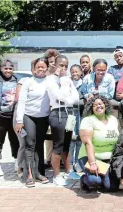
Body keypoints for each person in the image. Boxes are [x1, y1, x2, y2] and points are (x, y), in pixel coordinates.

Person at [14, 57, 51, 187]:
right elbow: (21, 102)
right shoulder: (28, 82)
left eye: (43, 67)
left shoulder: (50, 82)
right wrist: (19, 121)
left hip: (43, 118)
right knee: (30, 144)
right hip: (28, 117)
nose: (41, 69)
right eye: (38, 67)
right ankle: (29, 174)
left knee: (39, 144)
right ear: (34, 69)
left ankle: (39, 173)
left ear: (47, 68)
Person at [46, 55, 79, 185]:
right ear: (55, 65)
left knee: (67, 144)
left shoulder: (67, 79)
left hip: (70, 114)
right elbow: (59, 96)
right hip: (58, 113)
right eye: (61, 65)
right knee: (58, 146)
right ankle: (56, 175)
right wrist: (65, 88)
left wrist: (67, 98)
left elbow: (75, 97)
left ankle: (69, 171)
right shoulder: (50, 80)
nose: (63, 68)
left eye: (66, 66)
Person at [78, 95, 120, 191]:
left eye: (100, 104)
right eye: (95, 105)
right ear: (91, 108)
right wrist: (92, 163)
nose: (98, 106)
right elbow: (88, 143)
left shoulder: (113, 119)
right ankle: (84, 179)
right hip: (90, 157)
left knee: (112, 187)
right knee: (95, 180)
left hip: (108, 158)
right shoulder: (87, 120)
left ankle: (104, 177)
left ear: (105, 105)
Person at [43, 49, 60, 167]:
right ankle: (48, 159)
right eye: (50, 62)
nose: (53, 64)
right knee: (48, 137)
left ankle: (60, 160)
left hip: (59, 110)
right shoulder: (44, 75)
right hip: (46, 109)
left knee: (59, 135)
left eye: (55, 61)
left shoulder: (62, 74)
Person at [67, 64, 84, 179]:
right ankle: (70, 162)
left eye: (77, 71)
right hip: (70, 115)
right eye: (72, 72)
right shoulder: (68, 84)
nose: (75, 74)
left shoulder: (84, 84)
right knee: (70, 138)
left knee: (79, 138)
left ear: (81, 72)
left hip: (81, 114)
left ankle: (78, 162)